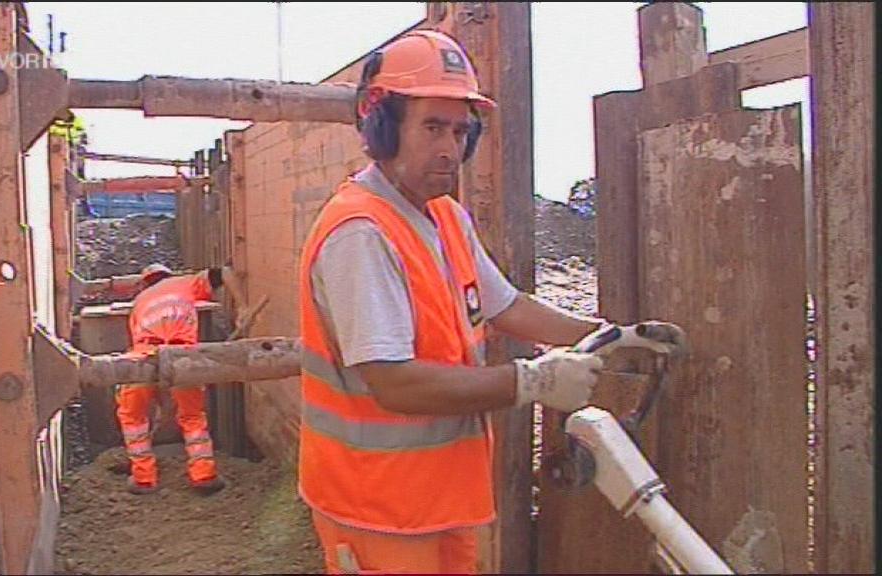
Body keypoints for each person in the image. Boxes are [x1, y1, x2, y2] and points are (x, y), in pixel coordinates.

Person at [297, 30, 685, 574]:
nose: (450, 149)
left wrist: (607, 334)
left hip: (439, 495)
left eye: (460, 132)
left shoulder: (444, 216)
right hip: (378, 506)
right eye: (433, 127)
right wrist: (533, 382)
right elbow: (392, 381)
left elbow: (507, 306)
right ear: (380, 125)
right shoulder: (360, 233)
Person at [116, 262, 246, 495]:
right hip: (182, 356)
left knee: (133, 416)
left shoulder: (139, 302)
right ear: (168, 275)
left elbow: (143, 346)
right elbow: (225, 272)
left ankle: (143, 478)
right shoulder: (184, 283)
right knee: (192, 416)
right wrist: (243, 307)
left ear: (145, 282)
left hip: (144, 354)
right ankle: (204, 475)